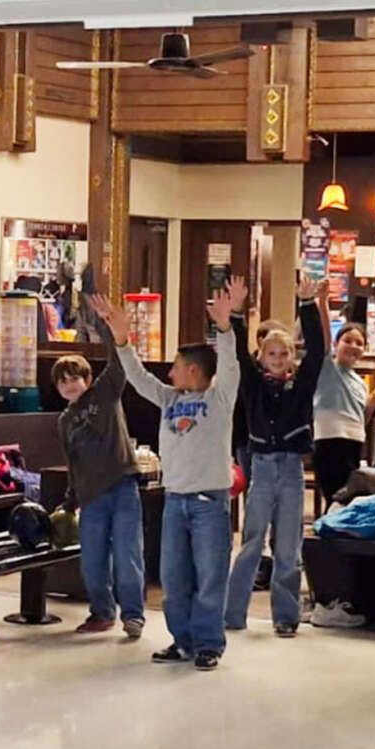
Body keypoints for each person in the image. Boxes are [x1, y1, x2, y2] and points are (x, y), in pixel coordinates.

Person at [113, 278, 246, 672]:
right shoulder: (170, 400)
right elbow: (139, 380)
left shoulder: (218, 399)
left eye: (174, 367)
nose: (168, 373)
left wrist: (226, 327)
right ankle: (182, 639)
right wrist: (123, 341)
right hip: (174, 501)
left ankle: (208, 643)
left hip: (209, 502)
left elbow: (231, 366)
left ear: (192, 370)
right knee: (174, 576)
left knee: (209, 577)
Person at [224, 274, 327, 636]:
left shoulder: (301, 383)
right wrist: (236, 314)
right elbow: (237, 352)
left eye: (284, 354)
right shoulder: (252, 383)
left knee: (288, 545)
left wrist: (308, 306)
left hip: (292, 470)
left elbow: (319, 352)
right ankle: (232, 614)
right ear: (262, 356)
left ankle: (285, 616)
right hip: (263, 469)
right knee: (252, 541)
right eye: (272, 354)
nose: (279, 359)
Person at [55, 297, 145, 640]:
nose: (70, 384)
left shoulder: (106, 393)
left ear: (88, 379)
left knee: (127, 555)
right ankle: (101, 612)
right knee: (92, 561)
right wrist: (70, 499)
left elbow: (118, 364)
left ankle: (133, 614)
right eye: (62, 381)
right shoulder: (64, 421)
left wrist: (112, 328)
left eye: (75, 377)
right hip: (90, 497)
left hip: (123, 487)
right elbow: (71, 462)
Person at [312, 321, 368, 508]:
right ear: (336, 344)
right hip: (330, 442)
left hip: (354, 445)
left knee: (350, 497)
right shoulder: (327, 369)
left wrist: (371, 409)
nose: (353, 346)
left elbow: (359, 419)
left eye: (359, 343)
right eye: (347, 340)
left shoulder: (361, 383)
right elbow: (323, 338)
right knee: (335, 497)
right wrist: (322, 300)